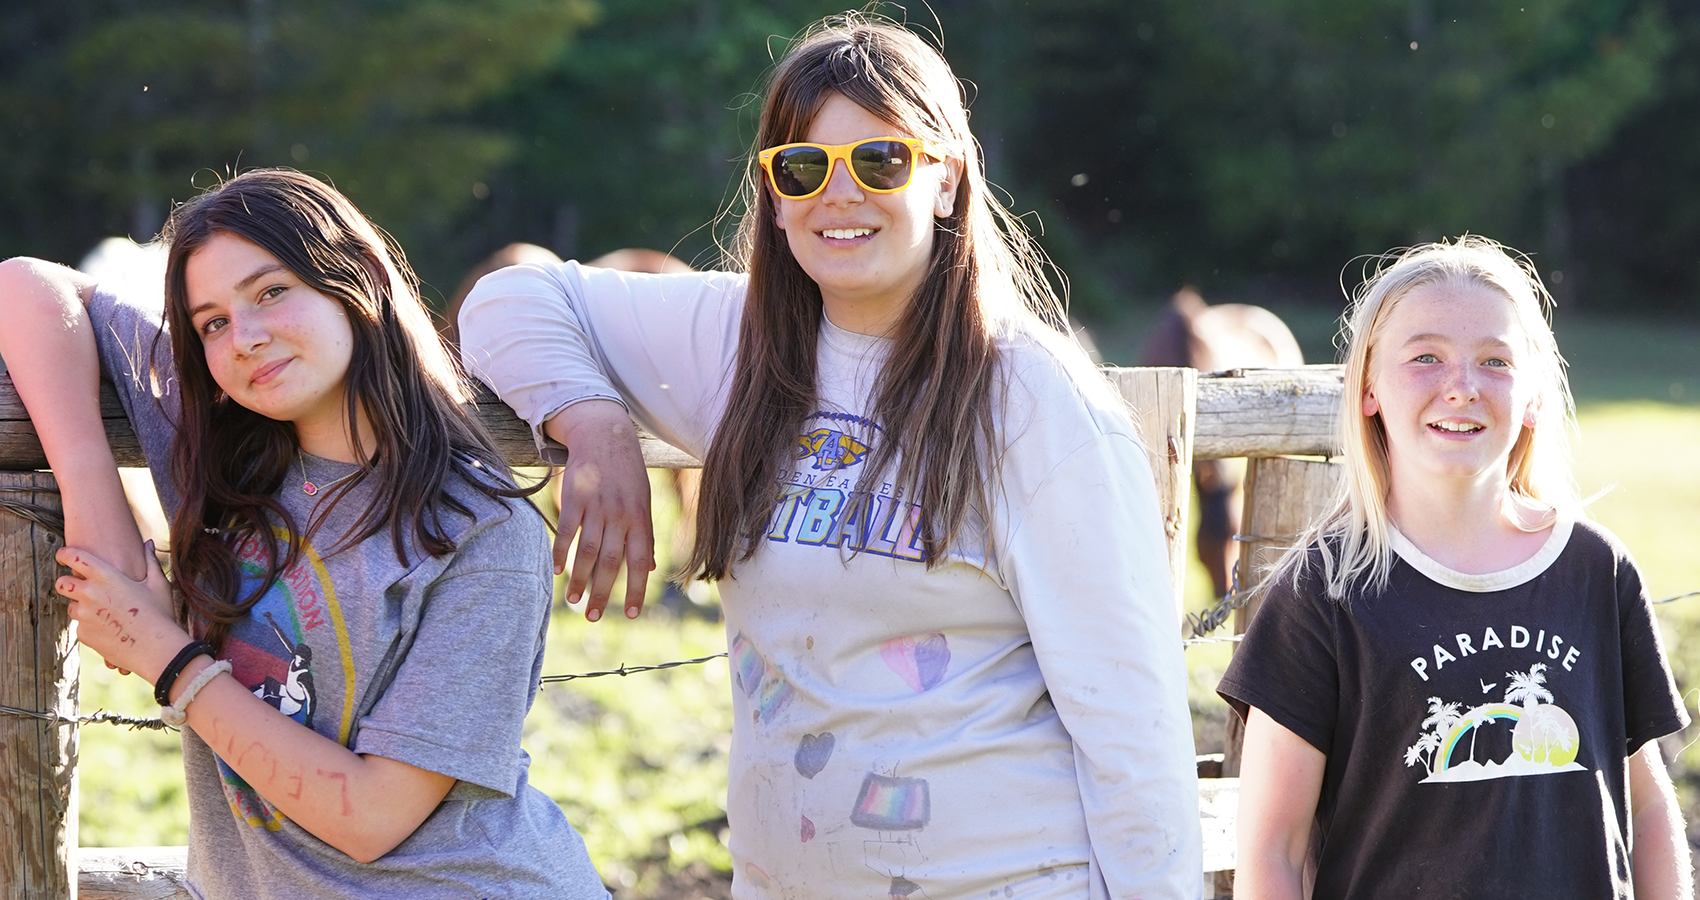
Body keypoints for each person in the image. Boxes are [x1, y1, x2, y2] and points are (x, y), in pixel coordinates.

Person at [458, 15, 1201, 900]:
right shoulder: (737, 345)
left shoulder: (1033, 399)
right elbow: (506, 299)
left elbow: (1131, 722)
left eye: (880, 161)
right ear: (773, 196)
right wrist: (596, 425)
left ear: (947, 183)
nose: (836, 194)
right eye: (802, 168)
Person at [0, 169, 608, 899]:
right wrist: (98, 508)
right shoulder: (213, 440)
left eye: (272, 291)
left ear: (353, 282)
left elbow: (373, 816)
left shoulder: (480, 528)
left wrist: (170, 661)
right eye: (213, 322)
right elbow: (24, 287)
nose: (246, 337)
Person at [1218, 237, 1691, 899]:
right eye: (1426, 357)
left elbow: (1644, 804)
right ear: (1368, 389)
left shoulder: (1595, 570)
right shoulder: (1326, 592)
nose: (1462, 387)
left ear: (1532, 397)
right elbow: (1275, 851)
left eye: (1495, 360)